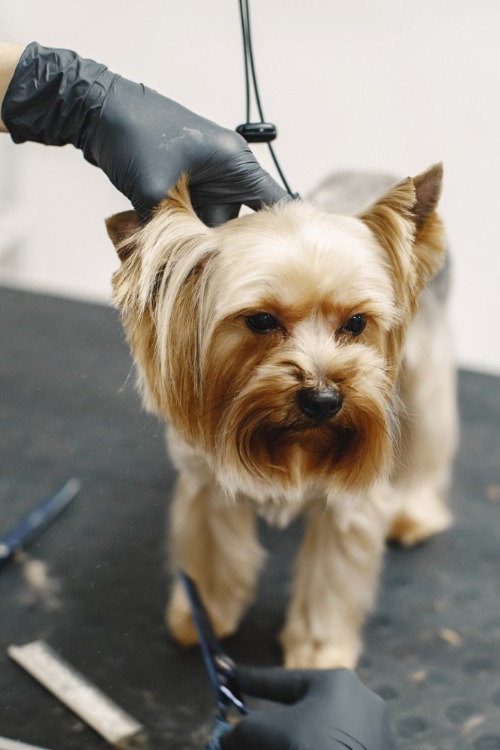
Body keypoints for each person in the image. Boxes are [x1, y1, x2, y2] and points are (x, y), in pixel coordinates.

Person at [0, 41, 395, 750]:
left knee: (368, 476)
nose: (320, 380)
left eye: (353, 325)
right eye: (264, 323)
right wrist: (65, 96)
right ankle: (212, 592)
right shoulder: (183, 312)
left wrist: (59, 93)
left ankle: (325, 620)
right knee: (210, 478)